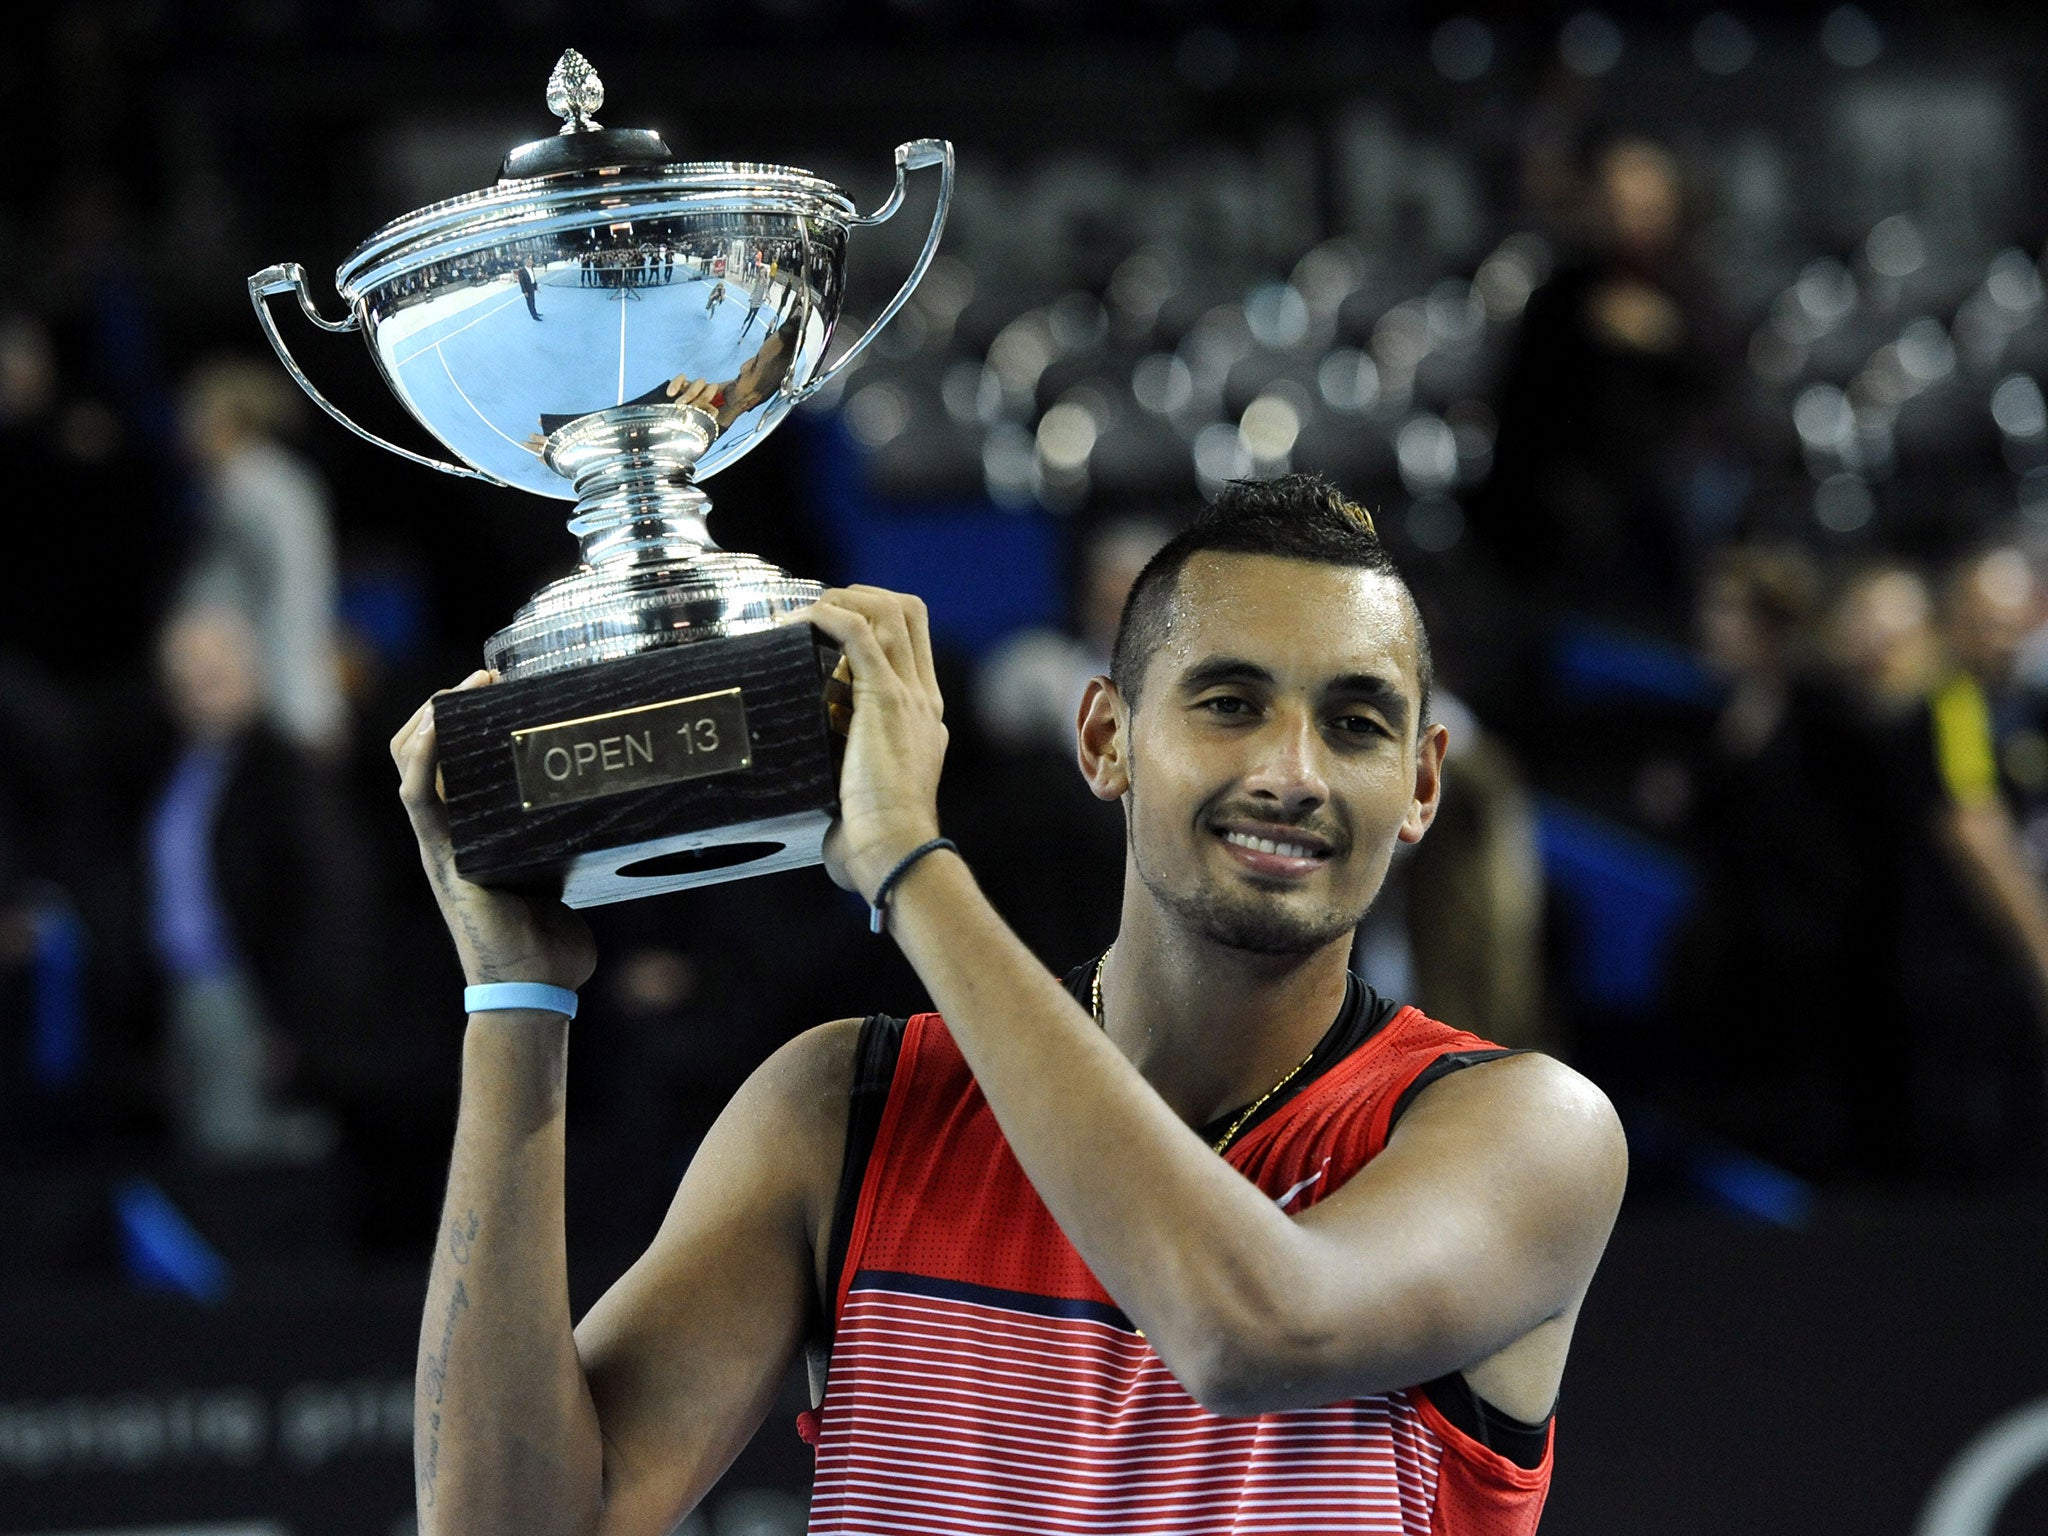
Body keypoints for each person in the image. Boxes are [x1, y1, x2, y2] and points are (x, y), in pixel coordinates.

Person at [393, 475, 1627, 1533]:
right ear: (1103, 739)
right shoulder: (847, 1109)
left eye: (1352, 724)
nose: (1290, 772)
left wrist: (905, 863)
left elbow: (1249, 1331)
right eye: (1228, 702)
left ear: (1417, 786)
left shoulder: (1526, 1131)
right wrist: (513, 994)